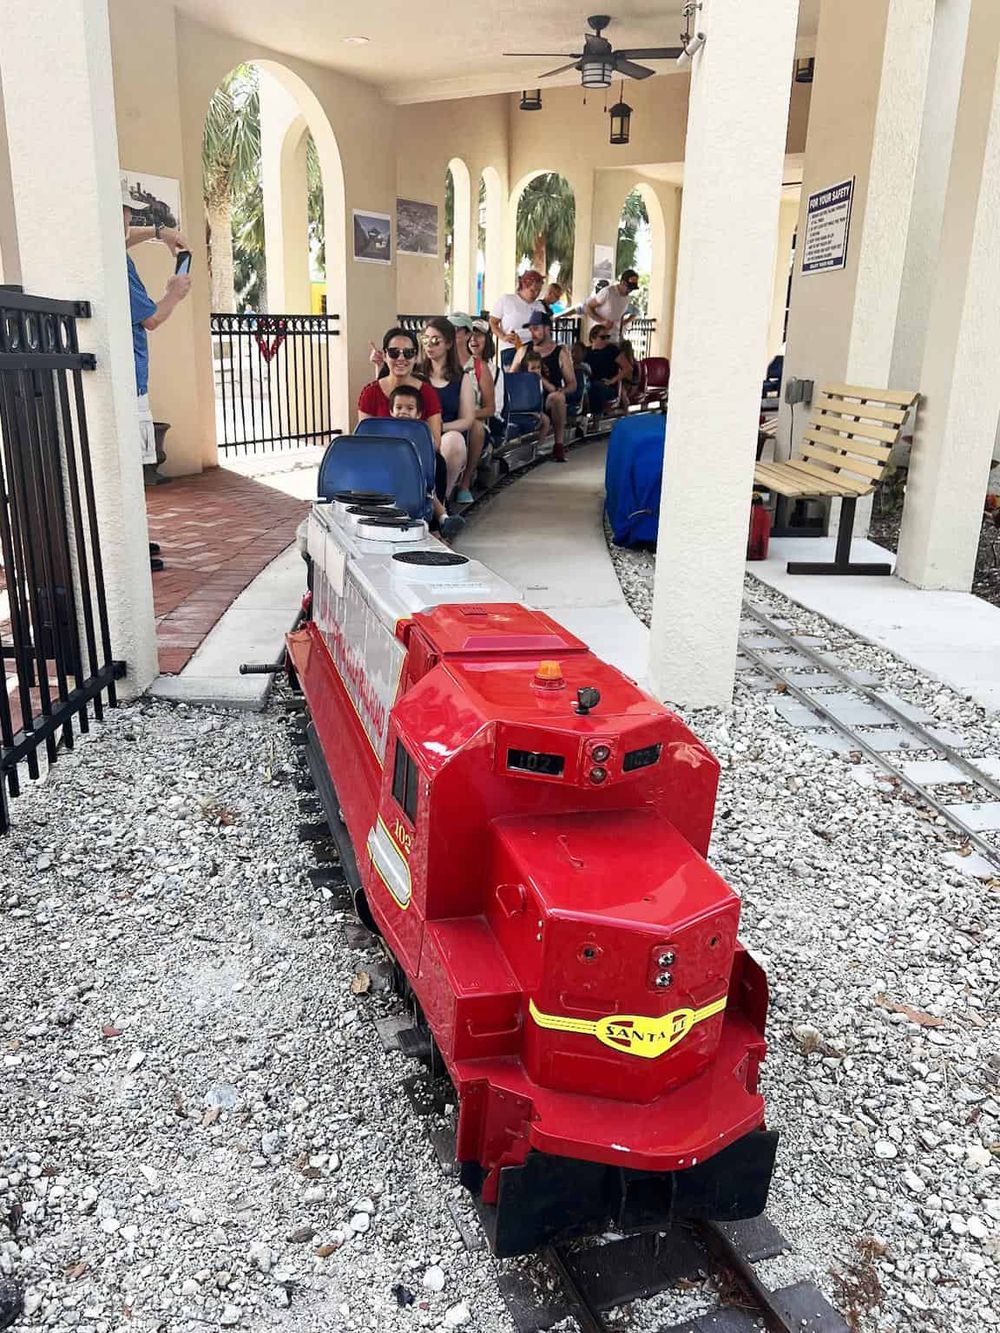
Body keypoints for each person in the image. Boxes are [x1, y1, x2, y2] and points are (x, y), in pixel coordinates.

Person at [122, 178, 191, 573]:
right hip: (130, 381)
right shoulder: (119, 265)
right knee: (134, 466)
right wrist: (175, 292)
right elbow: (152, 318)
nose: (132, 217)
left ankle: (131, 538)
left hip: (125, 378)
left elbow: (120, 238)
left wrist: (162, 233)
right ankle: (129, 544)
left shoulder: (105, 249)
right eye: (128, 211)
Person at [357, 325, 463, 538]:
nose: (401, 358)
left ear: (416, 357)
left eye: (408, 353)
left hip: (417, 460)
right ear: (385, 355)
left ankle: (434, 526)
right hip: (379, 460)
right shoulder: (370, 393)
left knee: (437, 463)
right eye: (394, 352)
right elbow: (364, 439)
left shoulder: (426, 394)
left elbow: (434, 441)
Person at [510, 310, 577, 462]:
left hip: (548, 399)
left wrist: (561, 391)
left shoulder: (560, 352)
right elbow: (511, 378)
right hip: (526, 400)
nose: (532, 333)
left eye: (536, 329)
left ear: (547, 329)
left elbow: (572, 384)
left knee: (557, 398)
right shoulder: (523, 351)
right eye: (530, 329)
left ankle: (558, 445)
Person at [417, 318, 472, 501]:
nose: (429, 345)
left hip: (445, 432)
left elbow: (467, 419)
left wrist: (439, 428)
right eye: (426, 340)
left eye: (435, 340)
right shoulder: (416, 373)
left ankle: (441, 498)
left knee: (454, 441)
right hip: (418, 431)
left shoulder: (461, 378)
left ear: (448, 343)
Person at [449, 314, 496, 504]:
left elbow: (490, 408)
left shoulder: (479, 367)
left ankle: (465, 482)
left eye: (457, 329)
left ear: (468, 334)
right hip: (446, 417)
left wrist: (468, 415)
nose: (452, 334)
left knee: (476, 426)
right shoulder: (441, 364)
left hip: (471, 420)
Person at [489, 270, 544, 369]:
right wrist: (503, 336)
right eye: (532, 290)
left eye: (538, 291)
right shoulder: (507, 300)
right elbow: (493, 322)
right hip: (511, 347)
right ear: (524, 286)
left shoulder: (539, 306)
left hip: (533, 349)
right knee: (512, 379)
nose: (536, 294)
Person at [585, 268, 639, 341]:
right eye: (629, 288)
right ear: (622, 282)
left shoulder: (627, 298)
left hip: (615, 336)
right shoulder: (608, 292)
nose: (630, 290)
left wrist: (623, 324)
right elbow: (588, 306)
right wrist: (602, 321)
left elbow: (621, 315)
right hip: (600, 336)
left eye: (632, 289)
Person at [583, 325, 622, 425]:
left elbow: (627, 368)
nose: (606, 340)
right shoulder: (586, 352)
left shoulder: (612, 350)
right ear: (593, 338)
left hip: (606, 386)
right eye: (602, 337)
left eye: (607, 337)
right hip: (589, 383)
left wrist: (612, 381)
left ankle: (596, 422)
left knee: (597, 387)